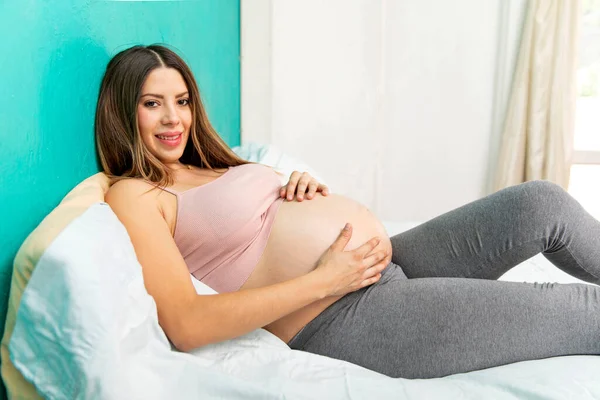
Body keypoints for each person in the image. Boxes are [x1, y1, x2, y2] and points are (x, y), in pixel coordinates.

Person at [98, 44, 600, 379]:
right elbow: (185, 324)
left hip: (386, 265)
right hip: (342, 316)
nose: (173, 118)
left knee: (541, 203)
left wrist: (290, 185)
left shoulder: (208, 162)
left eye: (181, 101)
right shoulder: (134, 194)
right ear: (124, 112)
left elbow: (254, 225)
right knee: (582, 310)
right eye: (151, 103)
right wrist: (324, 281)